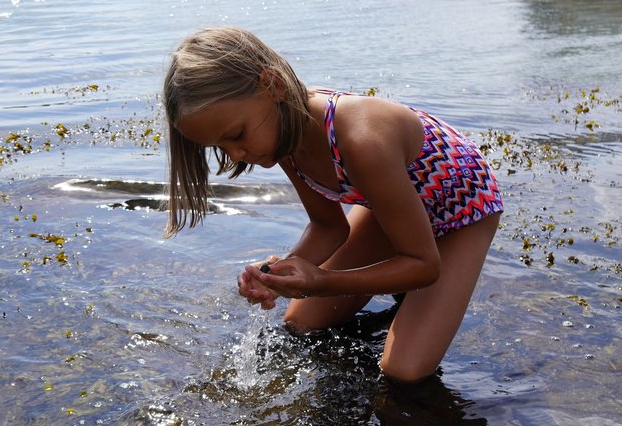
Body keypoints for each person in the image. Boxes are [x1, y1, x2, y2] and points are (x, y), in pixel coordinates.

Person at [162, 27, 504, 383]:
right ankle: (405, 302)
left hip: (462, 208)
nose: (235, 154)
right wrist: (278, 274)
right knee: (301, 323)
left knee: (403, 370)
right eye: (219, 146)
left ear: (274, 86)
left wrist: (323, 280)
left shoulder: (362, 139)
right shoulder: (282, 134)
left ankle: (413, 302)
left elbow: (424, 264)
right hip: (390, 203)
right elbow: (328, 227)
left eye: (235, 135)